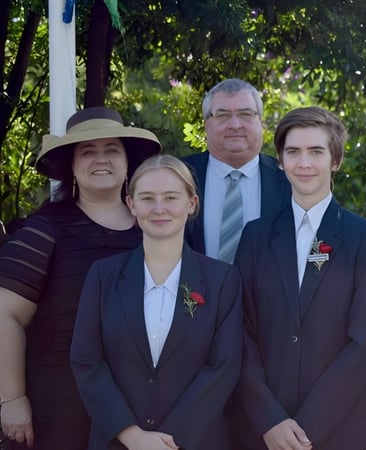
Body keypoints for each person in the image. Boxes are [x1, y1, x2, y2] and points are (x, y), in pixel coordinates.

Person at [0, 107, 160, 450]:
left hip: (140, 411)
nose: (100, 159)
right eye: (88, 151)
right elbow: (5, 314)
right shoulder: (45, 231)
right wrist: (11, 398)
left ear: (128, 161)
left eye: (111, 150)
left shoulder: (155, 228)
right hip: (59, 410)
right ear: (71, 165)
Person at [234, 106, 366, 449]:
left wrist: (307, 427)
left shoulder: (365, 237)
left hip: (342, 431)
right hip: (265, 432)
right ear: (280, 160)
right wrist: (270, 419)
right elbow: (239, 333)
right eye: (293, 152)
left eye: (316, 152)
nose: (304, 163)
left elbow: (365, 342)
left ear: (335, 160)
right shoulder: (256, 237)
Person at [70, 155, 242, 450]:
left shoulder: (223, 280)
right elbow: (87, 362)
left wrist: (170, 441)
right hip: (118, 442)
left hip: (194, 442)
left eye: (171, 198)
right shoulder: (103, 275)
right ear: (131, 204)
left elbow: (223, 367)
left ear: (191, 204)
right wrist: (131, 435)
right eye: (147, 198)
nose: (159, 208)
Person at [183, 78, 291, 262]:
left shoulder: (290, 180)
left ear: (261, 122)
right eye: (223, 115)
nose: (234, 125)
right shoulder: (179, 176)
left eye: (245, 114)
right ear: (206, 124)